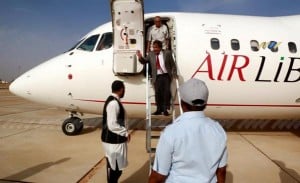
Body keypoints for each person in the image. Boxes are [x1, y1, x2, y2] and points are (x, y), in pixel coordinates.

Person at [149, 78, 228, 183]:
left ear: (182, 103)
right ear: (205, 104)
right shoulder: (218, 130)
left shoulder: (171, 132)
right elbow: (221, 172)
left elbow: (158, 176)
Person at [136, 40, 177, 116]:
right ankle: (158, 109)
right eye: (153, 47)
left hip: (166, 75)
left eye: (156, 47)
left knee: (166, 92)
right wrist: (140, 57)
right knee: (158, 93)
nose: (154, 49)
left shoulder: (167, 53)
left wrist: (174, 74)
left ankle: (165, 110)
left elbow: (173, 64)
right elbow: (144, 61)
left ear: (160, 47)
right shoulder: (151, 54)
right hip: (156, 76)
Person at [101, 80, 130, 183]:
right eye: (124, 89)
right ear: (121, 89)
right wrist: (125, 132)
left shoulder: (115, 101)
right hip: (113, 141)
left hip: (114, 140)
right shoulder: (113, 103)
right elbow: (112, 124)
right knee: (115, 169)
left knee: (115, 168)